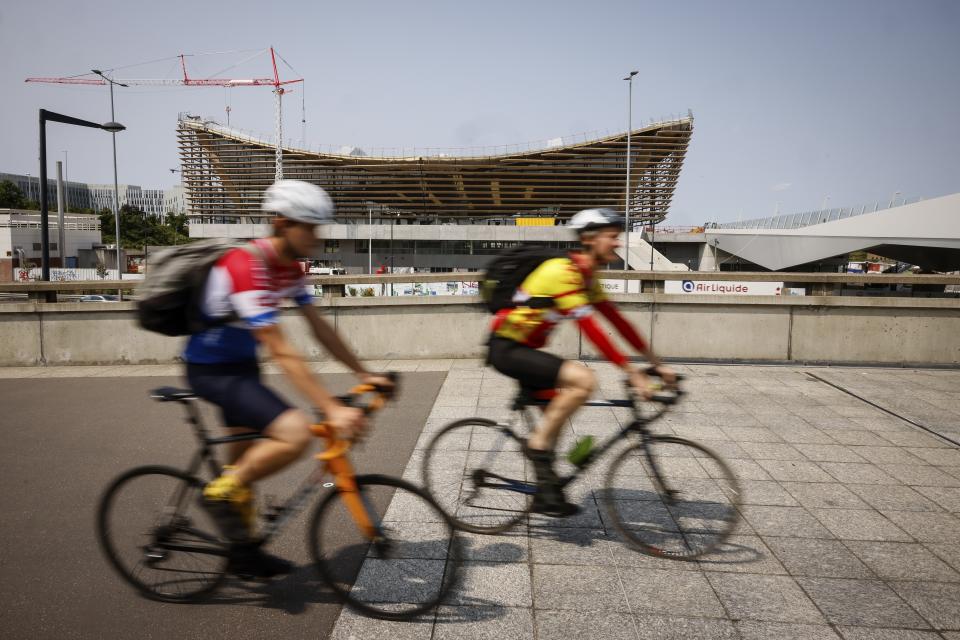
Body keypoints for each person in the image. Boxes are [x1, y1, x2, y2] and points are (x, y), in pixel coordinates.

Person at [184, 179, 391, 576]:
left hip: (243, 369)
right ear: (280, 223)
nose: (317, 236)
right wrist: (331, 407)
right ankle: (216, 497)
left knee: (246, 468)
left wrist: (366, 373)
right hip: (211, 371)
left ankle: (242, 553)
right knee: (294, 434)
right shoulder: (246, 265)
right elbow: (279, 347)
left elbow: (320, 329)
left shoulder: (290, 268)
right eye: (309, 227)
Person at [487, 208, 676, 516]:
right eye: (612, 237)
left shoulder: (588, 277)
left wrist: (658, 363)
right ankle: (536, 449)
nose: (618, 243)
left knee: (554, 421)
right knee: (583, 380)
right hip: (508, 348)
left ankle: (545, 494)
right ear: (589, 238)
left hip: (527, 349)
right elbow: (592, 329)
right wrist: (632, 372)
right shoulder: (564, 271)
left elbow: (619, 322)